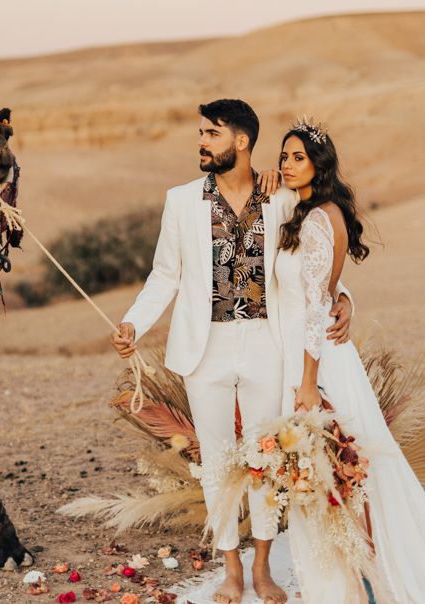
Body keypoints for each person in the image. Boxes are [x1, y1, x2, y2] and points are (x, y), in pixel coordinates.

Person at [110, 99, 353, 604]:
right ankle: (231, 570)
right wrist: (133, 321)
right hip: (206, 349)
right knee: (219, 462)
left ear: (241, 142)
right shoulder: (179, 201)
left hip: (268, 343)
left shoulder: (281, 199)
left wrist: (347, 297)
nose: (201, 141)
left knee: (264, 458)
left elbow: (314, 265)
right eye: (201, 133)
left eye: (212, 134)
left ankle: (263, 566)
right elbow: (164, 276)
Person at [274, 118, 425, 603]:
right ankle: (350, 577)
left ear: (320, 164)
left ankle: (356, 585)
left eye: (299, 157)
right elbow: (327, 288)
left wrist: (308, 383)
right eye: (284, 156)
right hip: (313, 352)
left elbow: (318, 302)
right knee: (338, 471)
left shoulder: (318, 218)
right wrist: (347, 300)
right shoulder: (321, 211)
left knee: (332, 470)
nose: (288, 165)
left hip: (315, 361)